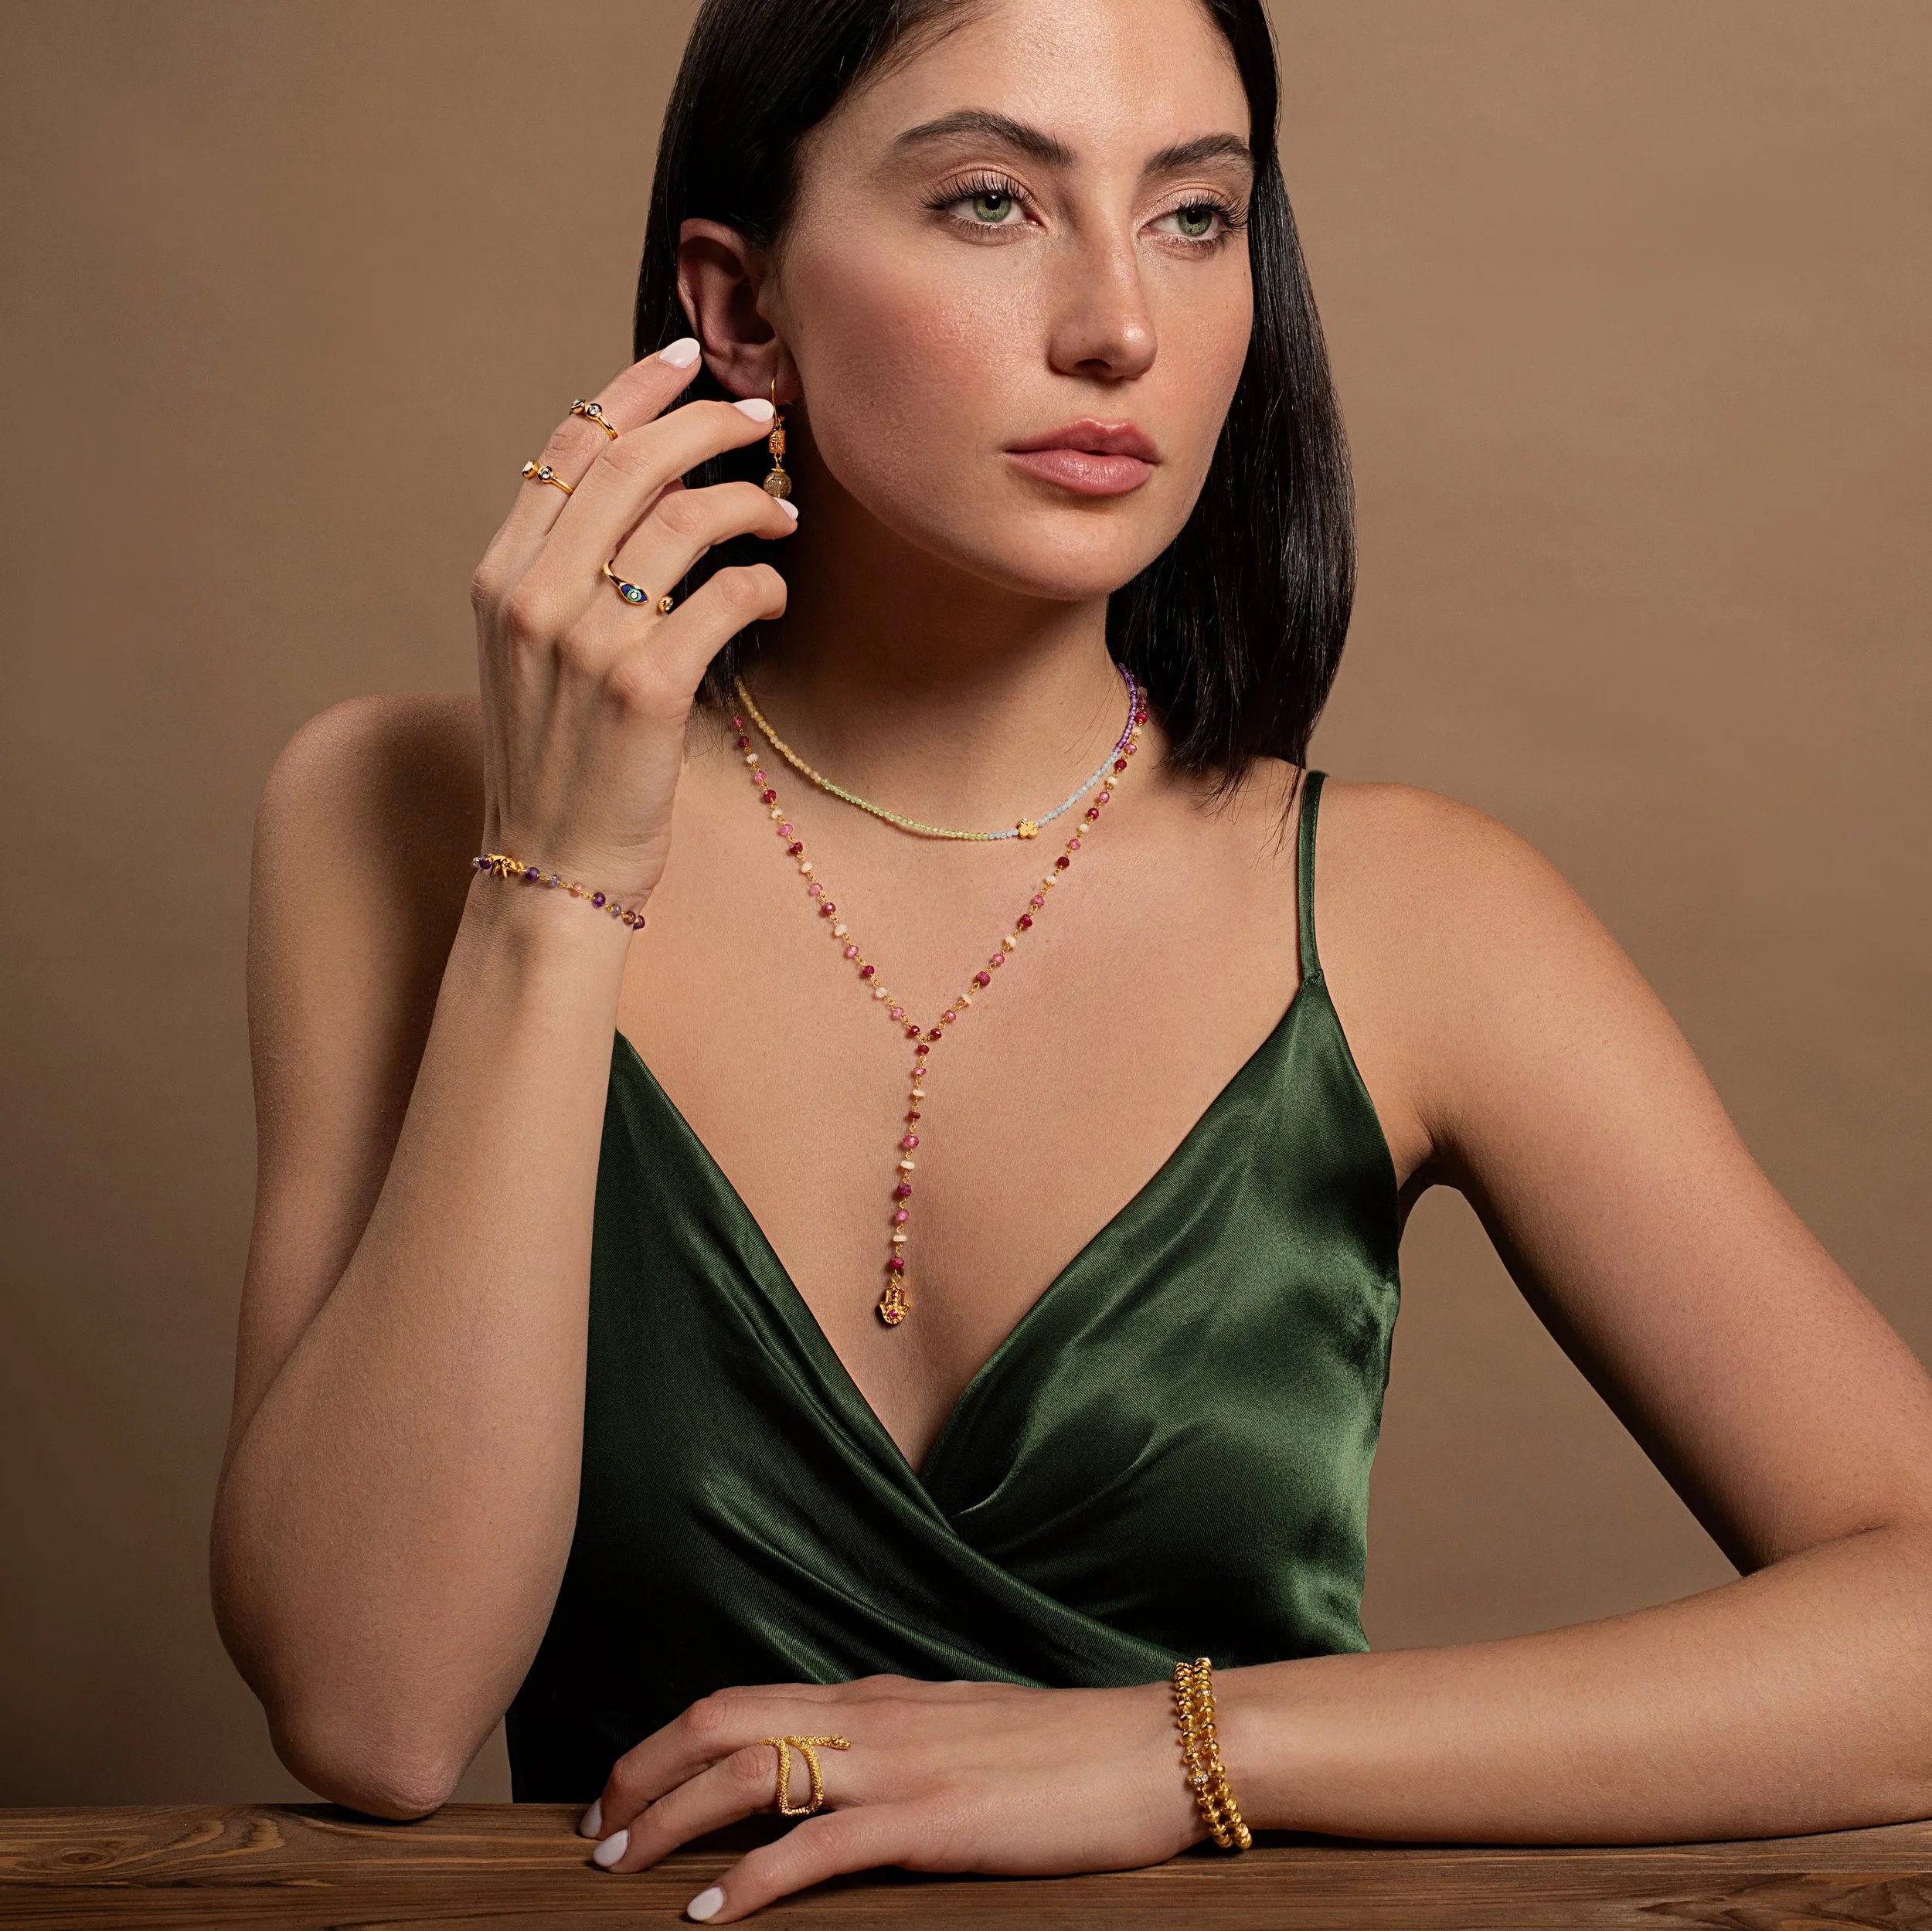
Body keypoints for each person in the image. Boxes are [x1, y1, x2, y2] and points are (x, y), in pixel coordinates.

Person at [209, 0, 1932, 1921]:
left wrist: (1181, 1749)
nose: (1120, 320)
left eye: (1195, 217)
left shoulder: (1412, 916)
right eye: (987, 204)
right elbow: (372, 1711)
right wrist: (555, 891)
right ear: (742, 306)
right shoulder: (397, 810)